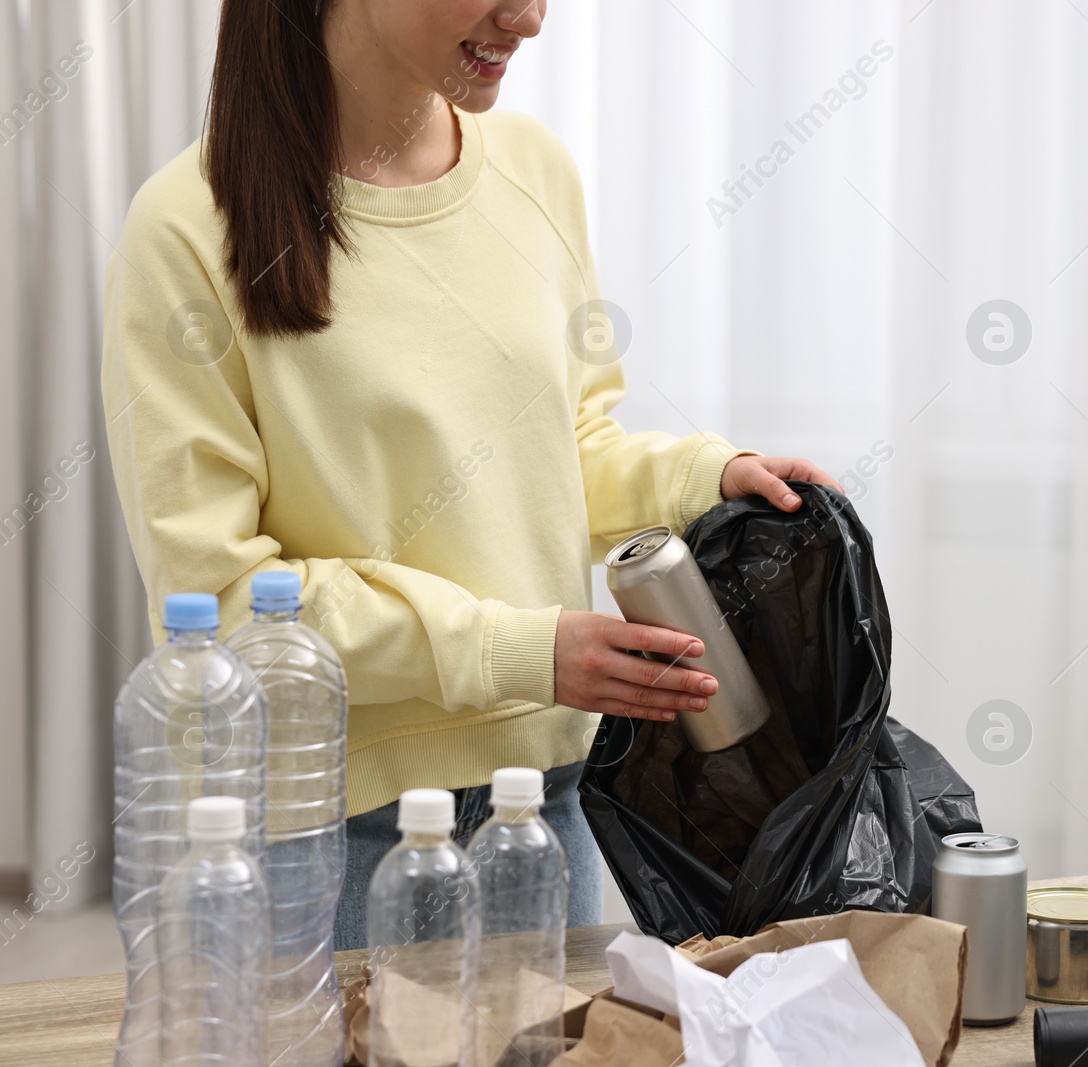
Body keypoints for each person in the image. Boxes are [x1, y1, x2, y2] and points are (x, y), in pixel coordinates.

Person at [100, 0, 839, 949]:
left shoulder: (535, 170)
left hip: (538, 810)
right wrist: (517, 653)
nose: (529, 17)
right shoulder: (186, 230)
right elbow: (225, 598)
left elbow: (562, 448)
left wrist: (706, 475)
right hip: (309, 839)